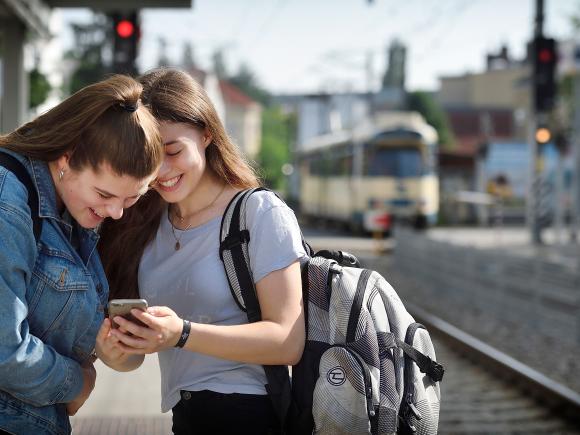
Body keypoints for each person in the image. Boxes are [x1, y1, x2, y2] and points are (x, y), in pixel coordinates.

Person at [97, 68, 306, 435]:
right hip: (186, 416)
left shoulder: (258, 214)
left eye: (173, 151)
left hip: (250, 415)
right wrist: (115, 354)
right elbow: (138, 355)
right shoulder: (142, 223)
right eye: (147, 157)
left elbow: (288, 340)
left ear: (207, 133)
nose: (160, 171)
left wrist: (182, 333)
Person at [0, 75, 163, 435]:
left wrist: (112, 348)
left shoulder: (71, 208)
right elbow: (3, 351)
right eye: (105, 194)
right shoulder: (8, 200)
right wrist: (79, 382)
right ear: (67, 157)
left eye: (132, 198)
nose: (117, 212)